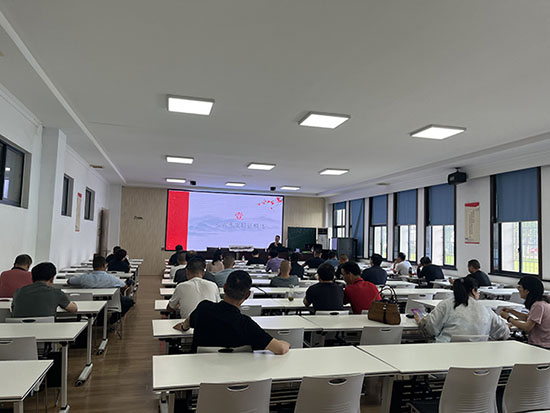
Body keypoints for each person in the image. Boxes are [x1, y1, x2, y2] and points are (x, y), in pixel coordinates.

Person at [174, 270, 290, 354]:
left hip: (198, 374)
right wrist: (287, 344)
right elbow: (280, 349)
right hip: (236, 377)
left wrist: (183, 327)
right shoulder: (247, 325)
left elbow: (187, 323)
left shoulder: (203, 307)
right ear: (247, 295)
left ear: (224, 288)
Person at [415, 277, 509, 342]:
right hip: (477, 357)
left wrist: (420, 321)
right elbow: (504, 333)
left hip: (446, 354)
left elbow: (431, 329)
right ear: (473, 291)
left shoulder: (446, 305)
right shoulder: (485, 310)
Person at [67, 256, 134, 320]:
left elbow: (69, 281)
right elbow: (125, 287)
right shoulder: (112, 278)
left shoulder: (84, 277)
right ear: (105, 265)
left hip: (88, 304)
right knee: (129, 301)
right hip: (110, 303)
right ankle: (111, 320)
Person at [12, 262, 78, 318]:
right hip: (47, 328)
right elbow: (73, 309)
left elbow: (13, 308)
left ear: (32, 278)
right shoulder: (56, 293)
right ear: (52, 279)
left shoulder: (18, 292)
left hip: (19, 328)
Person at [500, 276, 550, 348]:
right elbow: (528, 318)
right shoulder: (542, 303)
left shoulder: (538, 306)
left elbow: (527, 327)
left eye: (520, 287)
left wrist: (508, 318)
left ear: (527, 291)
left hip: (540, 345)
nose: (518, 289)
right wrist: (511, 311)